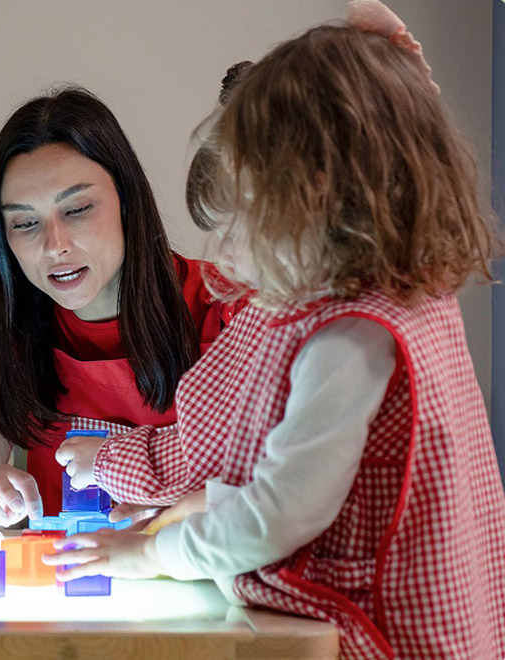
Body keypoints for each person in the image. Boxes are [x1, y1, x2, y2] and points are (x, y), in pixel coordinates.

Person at [48, 4, 505, 657]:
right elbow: (394, 145)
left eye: (244, 223)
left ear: (318, 195)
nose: (227, 255)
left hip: (373, 638)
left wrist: (146, 552)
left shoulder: (349, 338)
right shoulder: (416, 285)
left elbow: (276, 515)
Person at [0, 87, 232, 527]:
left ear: (128, 199)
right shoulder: (11, 333)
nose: (55, 246)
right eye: (25, 223)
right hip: (66, 583)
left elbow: (263, 481)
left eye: (78, 209)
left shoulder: (227, 306)